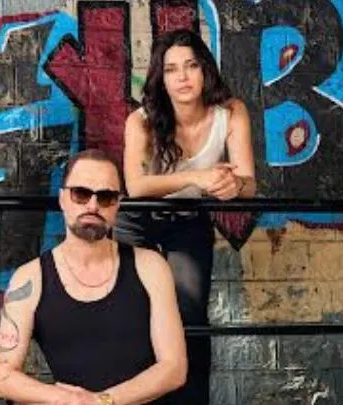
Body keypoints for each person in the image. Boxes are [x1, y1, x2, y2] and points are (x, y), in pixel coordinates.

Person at [113, 29, 255, 404]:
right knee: (132, 315)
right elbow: (136, 186)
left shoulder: (231, 112)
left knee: (190, 316)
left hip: (189, 219)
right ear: (161, 77)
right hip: (137, 219)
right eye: (171, 69)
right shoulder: (141, 121)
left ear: (205, 69)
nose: (183, 77)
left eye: (191, 66)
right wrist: (198, 178)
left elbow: (249, 183)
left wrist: (233, 185)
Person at [0, 149, 188, 405]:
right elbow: (1, 377)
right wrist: (68, 399)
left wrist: (102, 401)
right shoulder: (30, 279)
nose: (93, 206)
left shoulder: (150, 267)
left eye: (105, 197)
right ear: (62, 198)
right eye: (81, 194)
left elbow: (174, 367)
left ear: (117, 204)